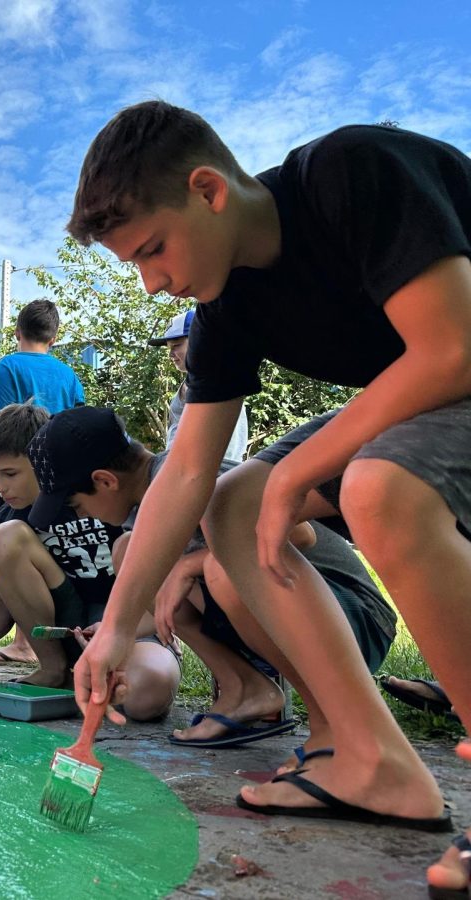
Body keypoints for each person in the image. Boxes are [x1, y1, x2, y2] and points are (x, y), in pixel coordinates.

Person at [67, 102, 467, 872]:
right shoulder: (227, 307)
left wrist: (301, 473)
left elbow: (451, 347)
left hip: (461, 356)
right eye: (135, 267)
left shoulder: (350, 171)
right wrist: (117, 627)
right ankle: (372, 760)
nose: (153, 285)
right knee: (232, 497)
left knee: (380, 491)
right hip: (435, 387)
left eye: (153, 250)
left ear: (210, 190)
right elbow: (186, 470)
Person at [43, 407, 397, 761]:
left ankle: (326, 717)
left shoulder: (186, 480)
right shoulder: (145, 509)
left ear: (105, 481)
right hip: (300, 616)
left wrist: (190, 565)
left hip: (354, 620)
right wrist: (111, 633)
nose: (80, 515)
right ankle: (244, 687)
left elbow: (301, 536)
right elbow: (164, 609)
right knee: (129, 553)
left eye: (75, 504)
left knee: (219, 569)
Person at [0, 403, 180, 720]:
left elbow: (165, 595)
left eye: (10, 474)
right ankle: (54, 669)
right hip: (70, 630)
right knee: (6, 536)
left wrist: (119, 631)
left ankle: (106, 675)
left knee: (145, 695)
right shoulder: (7, 521)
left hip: (132, 627)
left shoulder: (111, 497)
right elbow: (0, 605)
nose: (1, 487)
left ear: (44, 462)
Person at [0, 298, 85, 667]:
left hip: (19, 471)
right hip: (58, 479)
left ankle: (23, 642)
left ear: (17, 332)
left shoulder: (10, 365)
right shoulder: (68, 374)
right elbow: (77, 423)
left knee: (11, 540)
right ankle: (33, 642)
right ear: (54, 337)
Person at [149, 308, 247, 465]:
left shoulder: (216, 380)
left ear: (201, 340)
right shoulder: (192, 381)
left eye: (176, 346)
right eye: (169, 348)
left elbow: (223, 450)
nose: (171, 355)